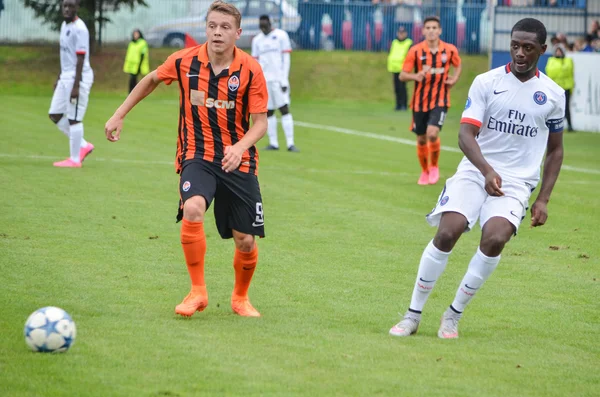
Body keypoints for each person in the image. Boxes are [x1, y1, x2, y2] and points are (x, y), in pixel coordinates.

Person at [389, 18, 565, 339]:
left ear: (542, 49)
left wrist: (543, 198)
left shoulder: (553, 95)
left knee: (495, 239)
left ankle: (453, 315)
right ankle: (413, 314)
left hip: (516, 182)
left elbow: (555, 151)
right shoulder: (486, 82)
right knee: (447, 232)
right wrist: (486, 170)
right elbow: (465, 134)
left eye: (528, 48)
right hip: (475, 170)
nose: (520, 53)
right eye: (515, 45)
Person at [104, 1, 269, 318]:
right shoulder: (184, 61)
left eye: (224, 27)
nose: (217, 32)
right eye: (212, 25)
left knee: (245, 240)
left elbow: (260, 122)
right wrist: (119, 114)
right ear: (205, 27)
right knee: (193, 207)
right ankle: (197, 292)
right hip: (197, 155)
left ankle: (240, 298)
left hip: (238, 160)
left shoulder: (250, 69)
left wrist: (240, 147)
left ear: (237, 32)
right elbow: (151, 79)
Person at [400, 16, 462, 185]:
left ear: (440, 30)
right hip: (419, 102)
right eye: (428, 28)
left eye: (434, 27)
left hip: (440, 100)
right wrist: (416, 75)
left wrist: (454, 79)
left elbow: (458, 65)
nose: (431, 30)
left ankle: (434, 167)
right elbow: (402, 75)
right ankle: (425, 171)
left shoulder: (449, 50)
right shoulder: (415, 51)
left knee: (432, 134)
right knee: (421, 139)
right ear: (423, 31)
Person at [48, 0, 94, 168]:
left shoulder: (80, 29)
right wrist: (59, 77)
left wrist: (76, 85)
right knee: (55, 114)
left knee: (74, 118)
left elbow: (81, 58)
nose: (67, 9)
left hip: (78, 77)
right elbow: (66, 56)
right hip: (66, 76)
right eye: (64, 6)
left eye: (71, 6)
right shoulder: (64, 25)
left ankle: (75, 159)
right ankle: (82, 145)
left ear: (77, 8)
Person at [252, 15, 299, 152]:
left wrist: (284, 79)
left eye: (265, 26)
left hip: (279, 80)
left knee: (284, 108)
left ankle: (290, 143)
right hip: (264, 81)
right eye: (261, 26)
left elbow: (286, 59)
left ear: (270, 24)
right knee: (268, 111)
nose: (264, 29)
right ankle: (274, 143)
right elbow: (256, 63)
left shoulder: (281, 36)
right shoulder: (257, 40)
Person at [545, 44, 574, 132]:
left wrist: (560, 69)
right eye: (557, 51)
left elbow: (569, 71)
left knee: (567, 107)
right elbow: (551, 72)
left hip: (566, 87)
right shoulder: (551, 60)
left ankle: (569, 125)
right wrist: (561, 69)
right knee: (552, 107)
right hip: (555, 88)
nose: (558, 53)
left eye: (560, 51)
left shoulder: (568, 60)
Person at [387, 26, 412, 110]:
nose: (401, 34)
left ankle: (404, 105)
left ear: (406, 33)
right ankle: (398, 105)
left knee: (402, 88)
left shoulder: (408, 43)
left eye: (403, 33)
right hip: (394, 68)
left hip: (403, 69)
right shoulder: (394, 42)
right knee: (396, 88)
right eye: (400, 33)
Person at [123, 29, 150, 93]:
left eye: (137, 34)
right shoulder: (131, 43)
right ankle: (131, 93)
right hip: (131, 65)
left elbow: (143, 54)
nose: (135, 35)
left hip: (138, 64)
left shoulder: (143, 43)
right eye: (134, 34)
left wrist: (139, 65)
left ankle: (134, 93)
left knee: (134, 79)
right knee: (132, 79)